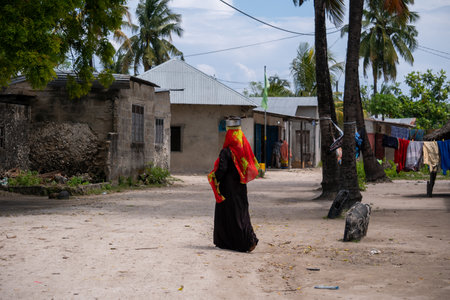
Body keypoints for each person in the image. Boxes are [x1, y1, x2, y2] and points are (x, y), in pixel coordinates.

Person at [208, 117, 259, 252]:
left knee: (229, 215)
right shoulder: (244, 151)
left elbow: (222, 169)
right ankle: (249, 240)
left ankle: (229, 242)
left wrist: (214, 177)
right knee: (241, 213)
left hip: (227, 188)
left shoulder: (226, 152)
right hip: (241, 187)